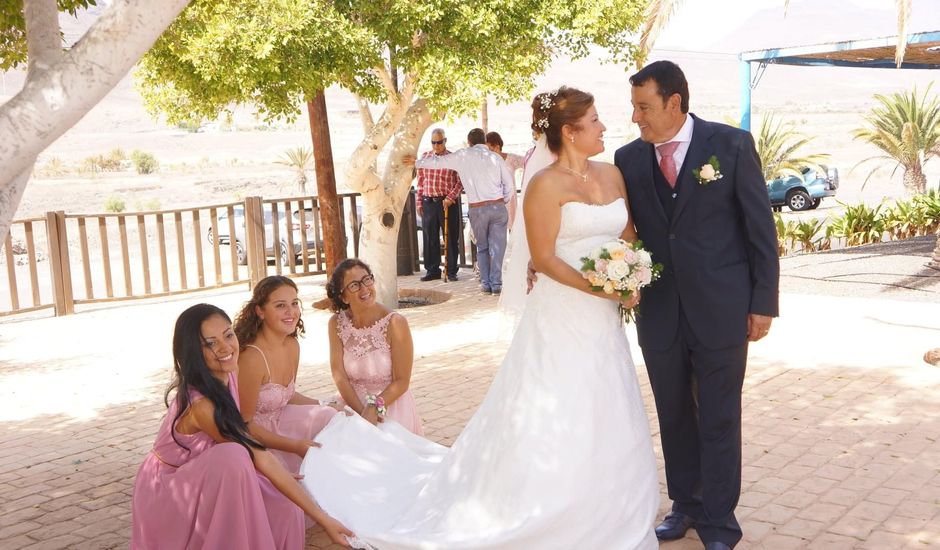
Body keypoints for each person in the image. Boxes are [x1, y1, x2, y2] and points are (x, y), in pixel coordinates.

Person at [298, 87, 659, 550]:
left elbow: (627, 232)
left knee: (607, 399)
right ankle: (548, 505)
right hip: (564, 313)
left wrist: (629, 276)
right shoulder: (545, 184)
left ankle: (612, 503)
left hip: (603, 316)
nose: (604, 127)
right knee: (560, 402)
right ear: (569, 131)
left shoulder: (613, 174)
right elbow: (545, 259)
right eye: (594, 120)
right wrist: (603, 286)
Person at [614, 60, 780, 550]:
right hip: (660, 312)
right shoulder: (628, 159)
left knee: (720, 416)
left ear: (674, 103)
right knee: (673, 413)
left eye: (644, 107)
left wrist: (763, 303)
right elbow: (624, 231)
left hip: (723, 310)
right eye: (633, 108)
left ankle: (719, 523)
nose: (635, 118)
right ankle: (684, 504)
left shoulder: (730, 145)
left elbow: (759, 232)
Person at [131, 303, 352, 549]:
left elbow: (247, 444)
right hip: (173, 483)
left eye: (228, 335)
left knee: (286, 507)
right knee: (236, 455)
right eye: (210, 343)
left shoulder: (230, 370)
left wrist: (266, 475)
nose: (225, 348)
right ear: (193, 351)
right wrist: (324, 519)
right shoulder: (203, 405)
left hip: (214, 468)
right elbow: (255, 454)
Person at [233, 275, 340, 474]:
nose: (291, 312)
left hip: (282, 419)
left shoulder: (292, 345)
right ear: (260, 311)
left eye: (294, 303)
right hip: (258, 436)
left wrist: (326, 403)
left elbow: (287, 395)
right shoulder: (252, 357)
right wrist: (294, 446)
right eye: (280, 305)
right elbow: (243, 424)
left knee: (333, 416)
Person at [406, 128, 514, 295]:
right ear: (484, 141)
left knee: (483, 247)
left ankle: (486, 284)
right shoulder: (495, 157)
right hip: (496, 206)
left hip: (477, 208)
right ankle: (497, 284)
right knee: (498, 247)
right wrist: (503, 200)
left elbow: (438, 162)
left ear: (469, 142)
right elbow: (509, 185)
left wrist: (416, 162)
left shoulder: (462, 156)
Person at [324, 258, 424, 434]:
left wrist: (374, 407)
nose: (364, 289)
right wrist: (361, 414)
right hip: (352, 404)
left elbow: (402, 381)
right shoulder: (336, 324)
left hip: (390, 405)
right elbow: (339, 375)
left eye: (367, 280)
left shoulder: (395, 323)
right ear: (343, 296)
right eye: (354, 285)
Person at [415, 128, 463, 282]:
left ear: (445, 141)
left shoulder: (452, 158)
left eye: (439, 142)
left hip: (447, 202)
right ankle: (432, 270)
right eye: (433, 142)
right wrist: (419, 202)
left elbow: (460, 182)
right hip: (429, 201)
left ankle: (451, 270)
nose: (436, 145)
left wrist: (450, 197)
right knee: (430, 237)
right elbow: (421, 182)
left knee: (450, 236)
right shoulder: (425, 158)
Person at [485, 131, 526, 229]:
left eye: (489, 148)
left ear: (497, 146)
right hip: (494, 202)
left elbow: (529, 162)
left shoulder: (511, 159)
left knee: (513, 231)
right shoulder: (486, 162)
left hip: (510, 202)